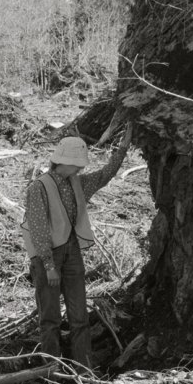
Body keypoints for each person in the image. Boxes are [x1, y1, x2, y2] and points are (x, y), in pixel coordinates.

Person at [21, 125, 132, 371]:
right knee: (50, 319)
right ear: (63, 162)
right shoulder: (38, 188)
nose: (81, 168)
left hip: (71, 253)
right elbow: (37, 229)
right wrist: (49, 266)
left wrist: (123, 147)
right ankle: (52, 370)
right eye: (77, 164)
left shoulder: (79, 183)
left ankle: (85, 369)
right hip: (46, 257)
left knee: (79, 316)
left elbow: (106, 174)